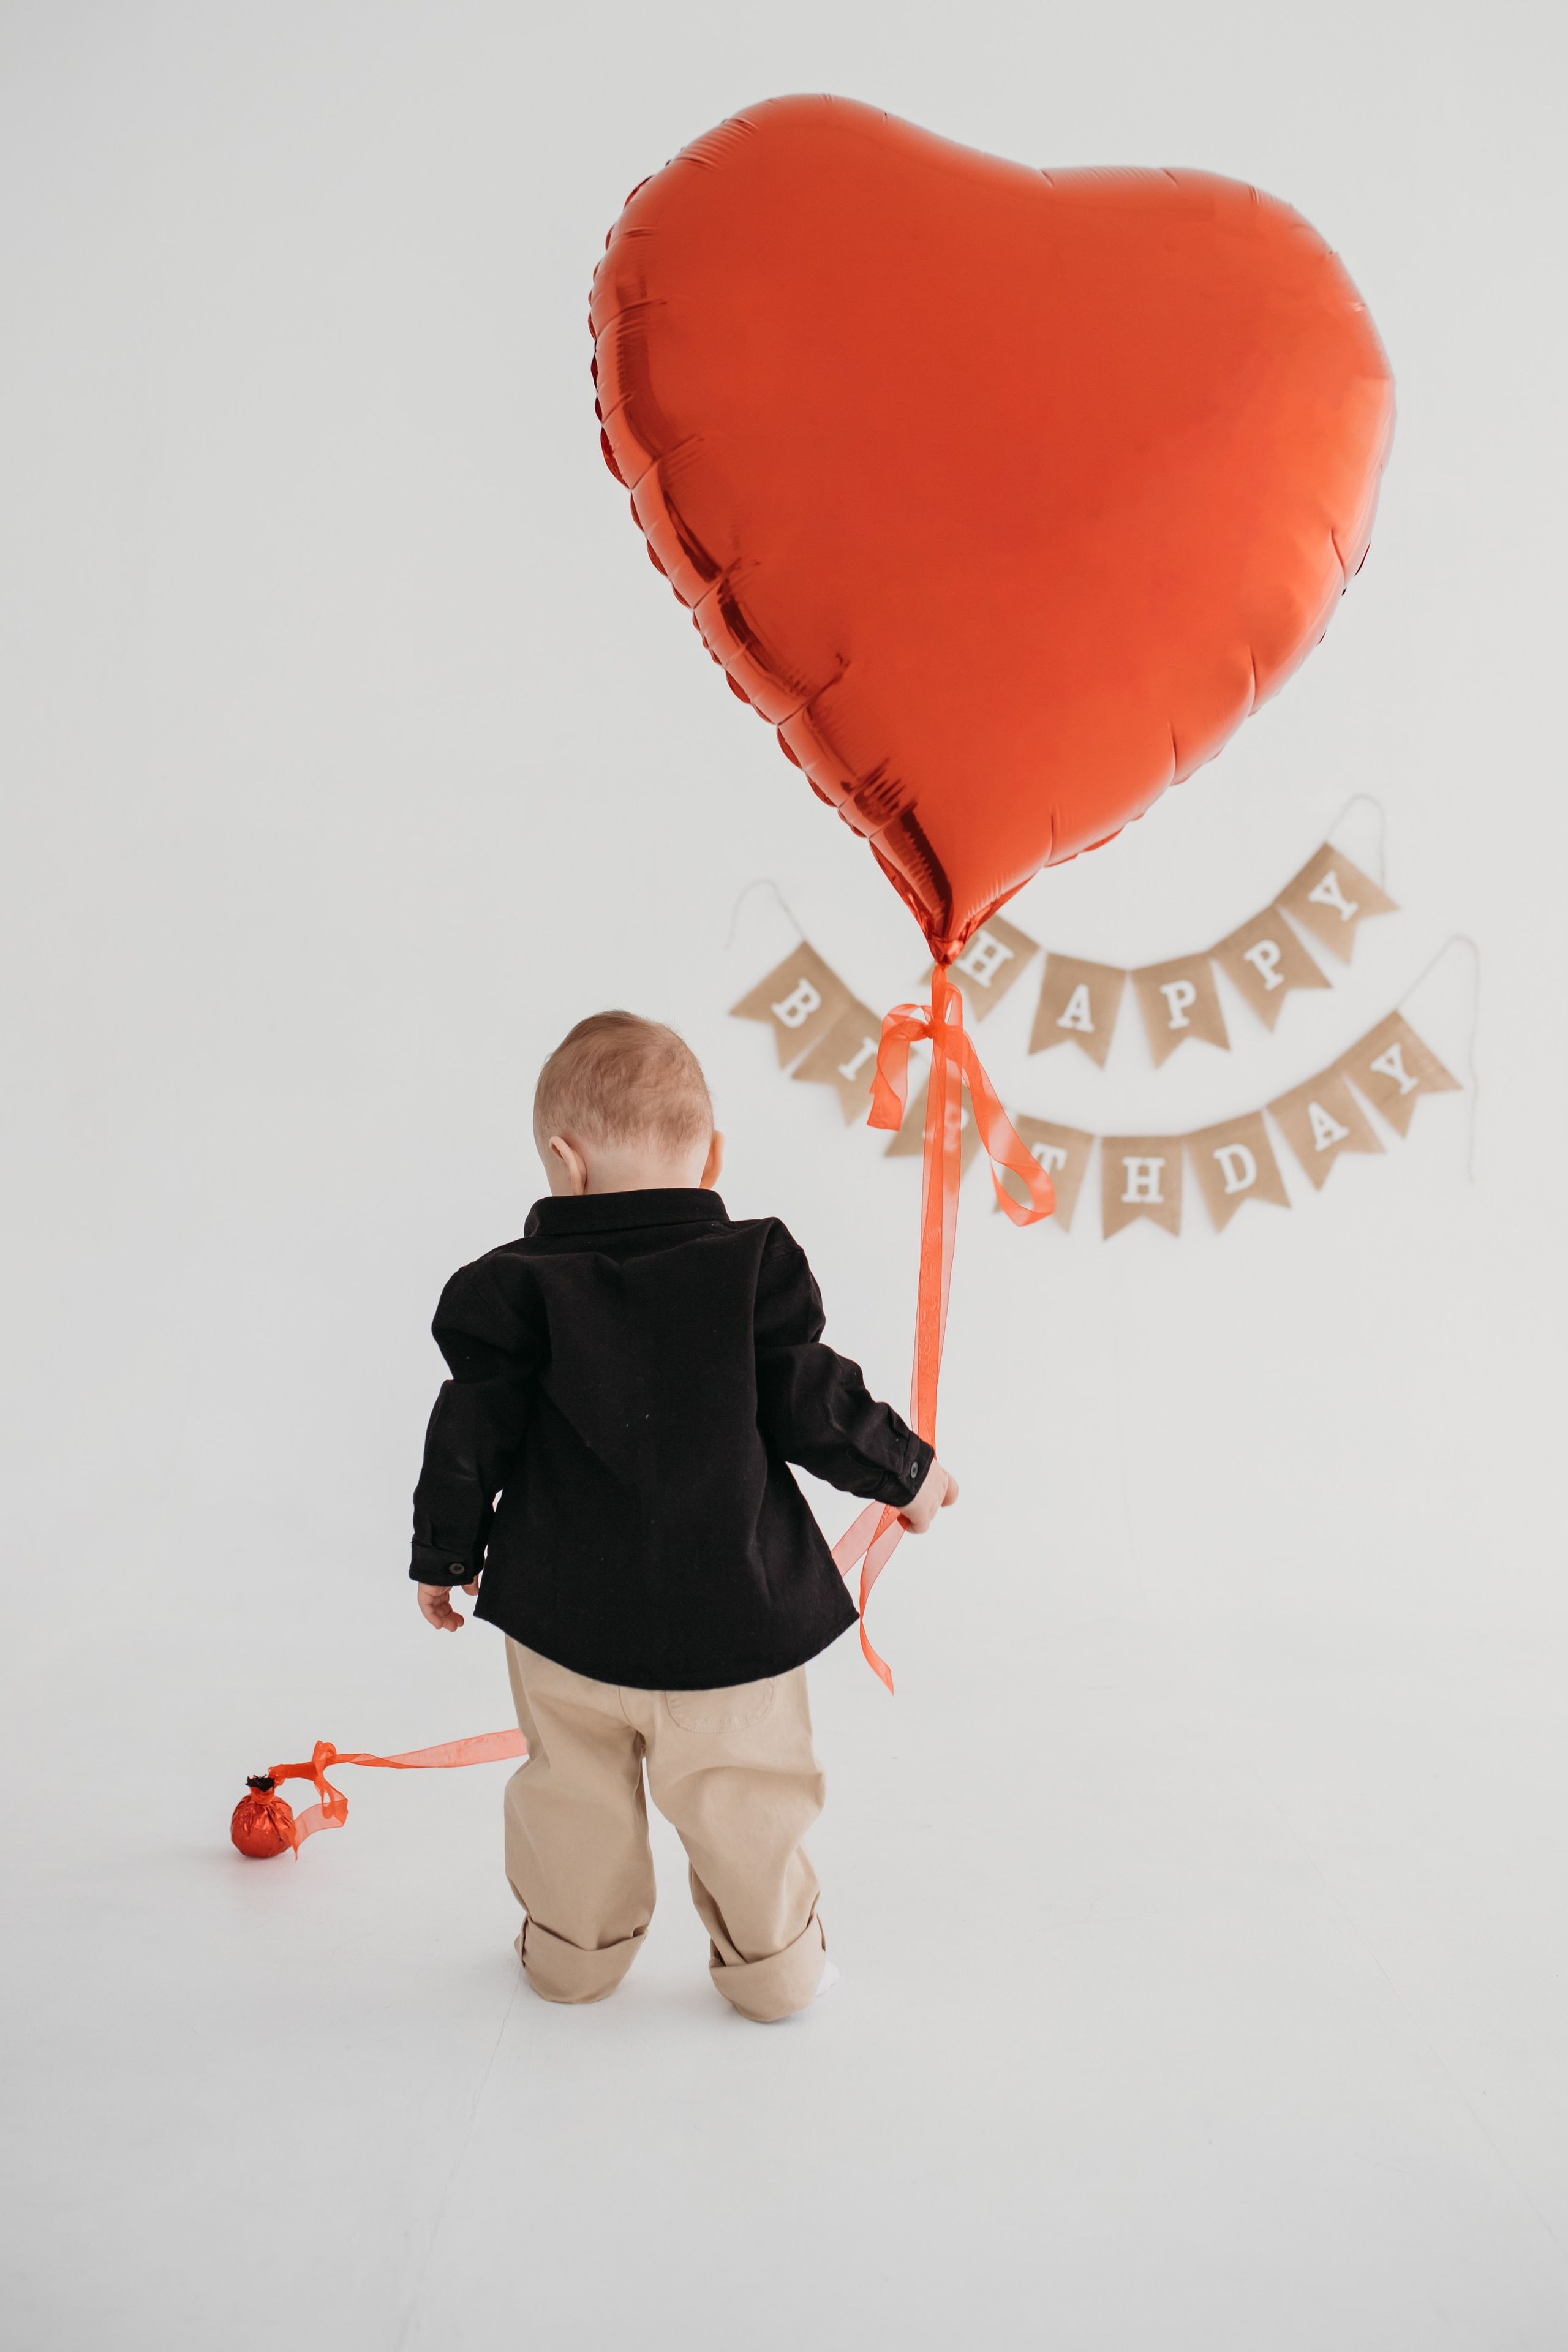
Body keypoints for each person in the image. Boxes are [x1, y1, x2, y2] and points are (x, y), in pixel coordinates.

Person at [409, 1009, 956, 2023]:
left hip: (565, 1625)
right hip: (734, 1622)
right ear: (710, 1156)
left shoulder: (510, 1290)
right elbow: (815, 1398)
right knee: (750, 1804)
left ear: (563, 1165)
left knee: (571, 1803)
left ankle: (571, 1959)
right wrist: (906, 1473)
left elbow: (466, 1434)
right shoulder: (751, 1267)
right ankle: (777, 1970)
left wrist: (442, 1555)